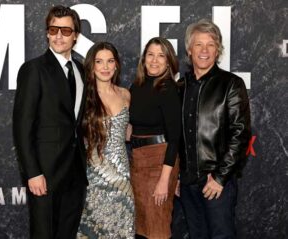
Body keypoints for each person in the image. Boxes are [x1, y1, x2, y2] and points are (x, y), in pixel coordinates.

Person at [12, 5, 87, 239]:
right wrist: (33, 172)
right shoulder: (33, 70)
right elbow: (22, 126)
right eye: (54, 29)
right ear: (47, 32)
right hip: (45, 173)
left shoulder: (81, 70)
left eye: (66, 31)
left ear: (75, 36)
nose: (58, 35)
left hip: (75, 172)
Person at [175, 19, 251, 239]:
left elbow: (240, 134)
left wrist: (220, 177)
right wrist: (177, 177)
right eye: (199, 44)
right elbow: (175, 137)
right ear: (189, 50)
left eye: (211, 44)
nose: (204, 50)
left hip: (216, 183)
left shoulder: (231, 84)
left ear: (218, 50)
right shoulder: (180, 87)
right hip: (187, 184)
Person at [78, 42, 134, 238]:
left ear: (117, 64)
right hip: (92, 177)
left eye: (110, 61)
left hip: (121, 178)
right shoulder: (81, 97)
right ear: (91, 66)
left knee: (121, 229)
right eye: (99, 62)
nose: (105, 67)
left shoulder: (126, 94)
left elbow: (128, 132)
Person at [129, 37, 182, 239]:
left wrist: (164, 180)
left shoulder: (168, 89)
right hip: (137, 162)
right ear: (144, 59)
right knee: (142, 228)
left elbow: (175, 138)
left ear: (168, 62)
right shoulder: (137, 86)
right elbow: (134, 127)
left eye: (161, 56)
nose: (154, 60)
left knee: (157, 229)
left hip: (159, 162)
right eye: (150, 54)